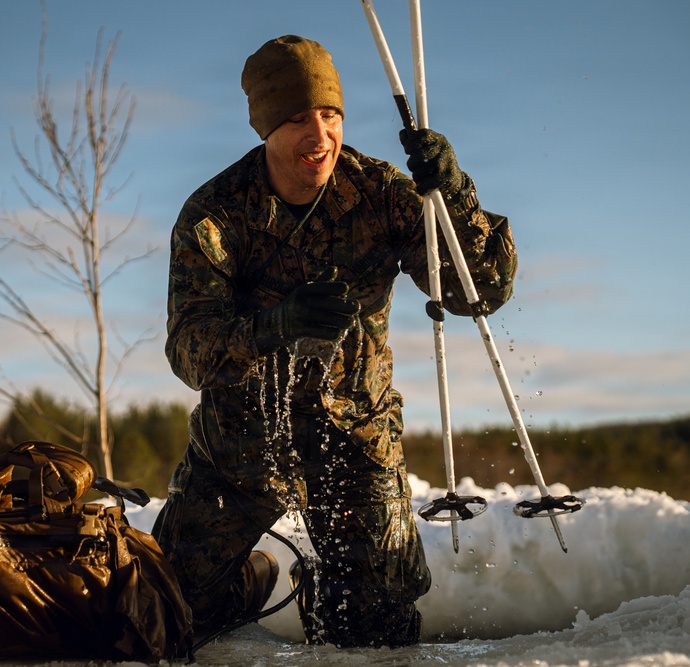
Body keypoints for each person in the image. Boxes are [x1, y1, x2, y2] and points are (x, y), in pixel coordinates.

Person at [152, 34, 517, 647]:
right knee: (160, 612)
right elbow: (188, 348)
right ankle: (250, 581)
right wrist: (274, 327)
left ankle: (339, 584)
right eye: (297, 119)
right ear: (266, 127)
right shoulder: (214, 214)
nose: (318, 136)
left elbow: (478, 292)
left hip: (356, 435)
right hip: (242, 443)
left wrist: (452, 193)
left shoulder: (381, 192)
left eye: (330, 115)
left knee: (375, 627)